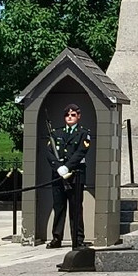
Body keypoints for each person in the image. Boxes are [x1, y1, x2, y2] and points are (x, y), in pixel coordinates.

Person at [45, 103, 92, 249]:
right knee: (59, 208)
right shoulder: (56, 133)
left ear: (78, 116)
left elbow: (80, 152)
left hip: (75, 176)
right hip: (58, 176)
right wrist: (58, 167)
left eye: (73, 115)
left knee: (75, 209)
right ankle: (56, 238)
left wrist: (67, 167)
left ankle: (78, 239)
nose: (70, 117)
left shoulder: (83, 133)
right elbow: (50, 153)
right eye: (67, 115)